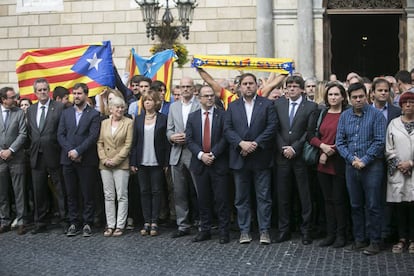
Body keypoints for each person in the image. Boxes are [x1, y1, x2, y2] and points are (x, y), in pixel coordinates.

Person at [224, 73, 276, 244]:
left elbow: (271, 127)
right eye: (245, 84)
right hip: (240, 158)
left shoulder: (267, 104)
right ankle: (244, 231)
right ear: (239, 87)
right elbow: (228, 129)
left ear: (256, 86)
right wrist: (241, 144)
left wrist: (254, 144)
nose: (248, 86)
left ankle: (264, 231)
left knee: (264, 198)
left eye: (251, 83)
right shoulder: (232, 106)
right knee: (241, 198)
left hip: (261, 157)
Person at [336, 82, 386, 256]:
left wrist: (365, 160)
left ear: (367, 96)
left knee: (373, 205)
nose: (358, 100)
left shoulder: (377, 116)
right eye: (355, 97)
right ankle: (359, 240)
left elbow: (380, 141)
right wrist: (352, 159)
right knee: (355, 204)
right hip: (351, 166)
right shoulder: (344, 116)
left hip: (372, 166)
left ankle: (375, 241)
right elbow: (340, 142)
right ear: (349, 99)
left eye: (361, 97)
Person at [273, 75, 318, 245]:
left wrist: (295, 148)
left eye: (295, 86)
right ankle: (284, 230)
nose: (292, 89)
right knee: (283, 195)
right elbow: (275, 129)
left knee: (304, 195)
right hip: (282, 156)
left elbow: (309, 131)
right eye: (289, 86)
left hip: (300, 158)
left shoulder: (311, 106)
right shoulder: (278, 104)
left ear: (301, 89)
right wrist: (283, 147)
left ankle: (306, 230)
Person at [186, 86, 230, 244]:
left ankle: (224, 231)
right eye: (206, 96)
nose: (210, 98)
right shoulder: (192, 117)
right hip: (200, 164)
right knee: (203, 199)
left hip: (218, 163)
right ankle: (204, 230)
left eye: (212, 96)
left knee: (221, 199)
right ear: (200, 98)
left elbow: (226, 137)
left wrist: (213, 154)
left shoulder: (223, 116)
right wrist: (201, 155)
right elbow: (189, 140)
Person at [309, 82, 350, 248]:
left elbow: (347, 137)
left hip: (338, 162)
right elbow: (311, 135)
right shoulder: (322, 113)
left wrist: (328, 151)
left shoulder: (347, 114)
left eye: (336, 94)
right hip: (322, 163)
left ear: (342, 97)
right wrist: (322, 147)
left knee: (339, 200)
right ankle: (330, 233)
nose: (333, 97)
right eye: (330, 95)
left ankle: (341, 235)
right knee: (327, 200)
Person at [57, 83, 101, 237]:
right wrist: (71, 151)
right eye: (74, 93)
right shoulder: (66, 113)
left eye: (79, 93)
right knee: (71, 193)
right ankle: (74, 222)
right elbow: (60, 134)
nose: (76, 96)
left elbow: (93, 136)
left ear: (86, 95)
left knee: (87, 193)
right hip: (68, 159)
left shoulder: (94, 114)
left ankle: (87, 222)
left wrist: (78, 150)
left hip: (86, 159)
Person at [26, 78, 68, 234]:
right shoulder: (31, 110)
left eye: (45, 89)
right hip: (37, 155)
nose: (43, 92)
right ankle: (40, 221)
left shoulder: (59, 107)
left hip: (54, 154)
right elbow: (30, 132)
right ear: (35, 92)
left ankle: (65, 219)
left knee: (60, 189)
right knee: (39, 190)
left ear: (48, 90)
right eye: (40, 90)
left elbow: (62, 130)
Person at [130, 91, 170, 236]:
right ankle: (146, 221)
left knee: (156, 191)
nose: (147, 103)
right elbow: (134, 142)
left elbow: (166, 143)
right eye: (145, 100)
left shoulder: (163, 119)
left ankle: (155, 221)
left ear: (156, 103)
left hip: (157, 161)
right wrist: (133, 161)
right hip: (141, 161)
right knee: (144, 191)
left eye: (150, 100)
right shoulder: (139, 119)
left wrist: (166, 162)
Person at [167, 76, 200, 238]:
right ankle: (183, 224)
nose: (185, 89)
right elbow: (169, 129)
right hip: (177, 152)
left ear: (194, 89)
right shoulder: (173, 107)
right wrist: (172, 137)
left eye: (188, 86)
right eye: (182, 86)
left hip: (195, 153)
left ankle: (202, 222)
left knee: (199, 190)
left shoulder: (200, 105)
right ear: (178, 89)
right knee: (179, 192)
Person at [97, 96, 133, 237]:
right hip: (105, 164)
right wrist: (104, 159)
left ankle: (120, 225)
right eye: (116, 107)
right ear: (110, 109)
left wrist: (116, 160)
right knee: (109, 196)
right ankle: (110, 224)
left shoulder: (128, 123)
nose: (119, 109)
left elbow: (128, 144)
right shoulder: (104, 123)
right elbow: (100, 142)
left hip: (121, 164)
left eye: (121, 107)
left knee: (122, 195)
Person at [385, 92, 414, 254]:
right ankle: (402, 238)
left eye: (412, 102)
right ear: (401, 105)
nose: (409, 105)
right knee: (400, 206)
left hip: (413, 171)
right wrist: (399, 163)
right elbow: (388, 148)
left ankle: (413, 239)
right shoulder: (393, 124)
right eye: (405, 102)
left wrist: (411, 163)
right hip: (398, 172)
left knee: (413, 206)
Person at [0, 86, 27, 235]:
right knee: (2, 191)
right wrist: (1, 152)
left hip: (16, 157)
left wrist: (11, 150)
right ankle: (4, 220)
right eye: (12, 97)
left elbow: (23, 134)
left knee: (19, 190)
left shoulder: (19, 113)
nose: (15, 99)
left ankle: (21, 220)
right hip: (0, 159)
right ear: (4, 99)